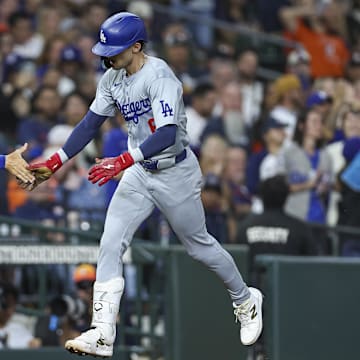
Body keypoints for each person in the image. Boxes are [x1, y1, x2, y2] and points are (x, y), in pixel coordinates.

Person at [22, 12, 263, 357]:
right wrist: (56, 161)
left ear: (137, 46)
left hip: (174, 171)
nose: (107, 55)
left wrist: (122, 160)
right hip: (139, 170)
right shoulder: (112, 77)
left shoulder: (159, 74)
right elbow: (90, 124)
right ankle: (102, 332)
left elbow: (166, 134)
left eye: (115, 49)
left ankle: (245, 299)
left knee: (199, 247)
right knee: (110, 242)